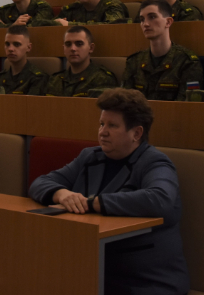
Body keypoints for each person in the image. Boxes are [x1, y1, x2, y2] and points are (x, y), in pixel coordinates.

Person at [29, 88, 190, 294]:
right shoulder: (90, 157)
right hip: (93, 272)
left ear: (136, 133)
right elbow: (40, 182)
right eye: (101, 124)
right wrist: (62, 194)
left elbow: (160, 199)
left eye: (112, 126)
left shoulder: (155, 162)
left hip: (146, 282)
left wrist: (92, 203)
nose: (102, 132)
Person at [122, 0, 203, 101]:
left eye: (152, 17)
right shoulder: (134, 61)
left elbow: (188, 105)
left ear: (168, 22)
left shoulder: (187, 62)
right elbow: (125, 101)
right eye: (142, 19)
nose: (145, 24)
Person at [45, 26, 119, 97]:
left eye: (79, 44)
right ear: (64, 49)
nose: (73, 48)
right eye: (68, 44)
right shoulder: (55, 79)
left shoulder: (102, 78)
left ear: (91, 48)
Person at [0, 25, 49, 95]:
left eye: (17, 44)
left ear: (28, 47)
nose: (10, 49)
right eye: (7, 44)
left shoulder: (37, 78)